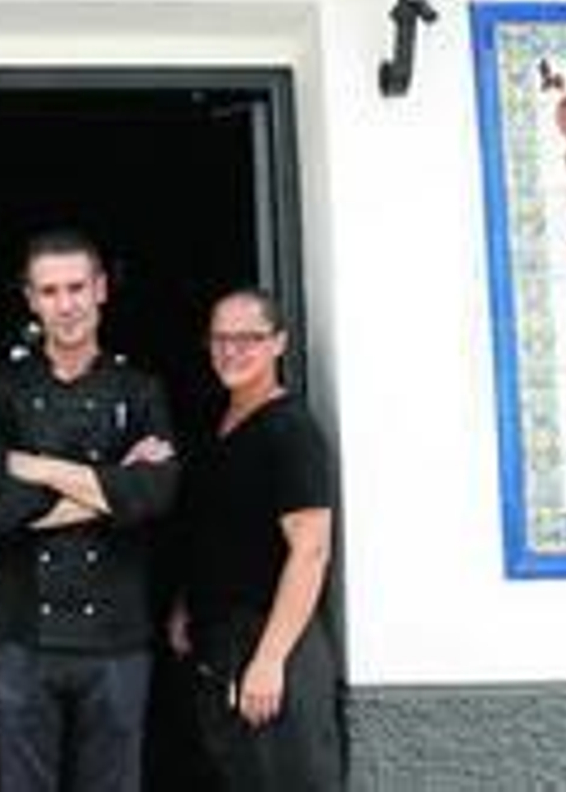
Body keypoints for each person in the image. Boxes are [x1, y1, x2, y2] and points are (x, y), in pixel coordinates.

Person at [0, 229, 180, 792]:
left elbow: (157, 494)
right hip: (18, 636)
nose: (66, 305)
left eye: (76, 288)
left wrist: (35, 467)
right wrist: (114, 486)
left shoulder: (140, 390)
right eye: (50, 291)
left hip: (117, 637)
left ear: (101, 289)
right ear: (31, 299)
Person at [167, 288, 343, 791]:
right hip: (220, 642)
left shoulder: (291, 431)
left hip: (273, 640)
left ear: (279, 343)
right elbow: (215, 532)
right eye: (220, 338)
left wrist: (270, 660)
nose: (231, 350)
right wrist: (185, 604)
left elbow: (310, 550)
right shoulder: (215, 426)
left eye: (248, 338)